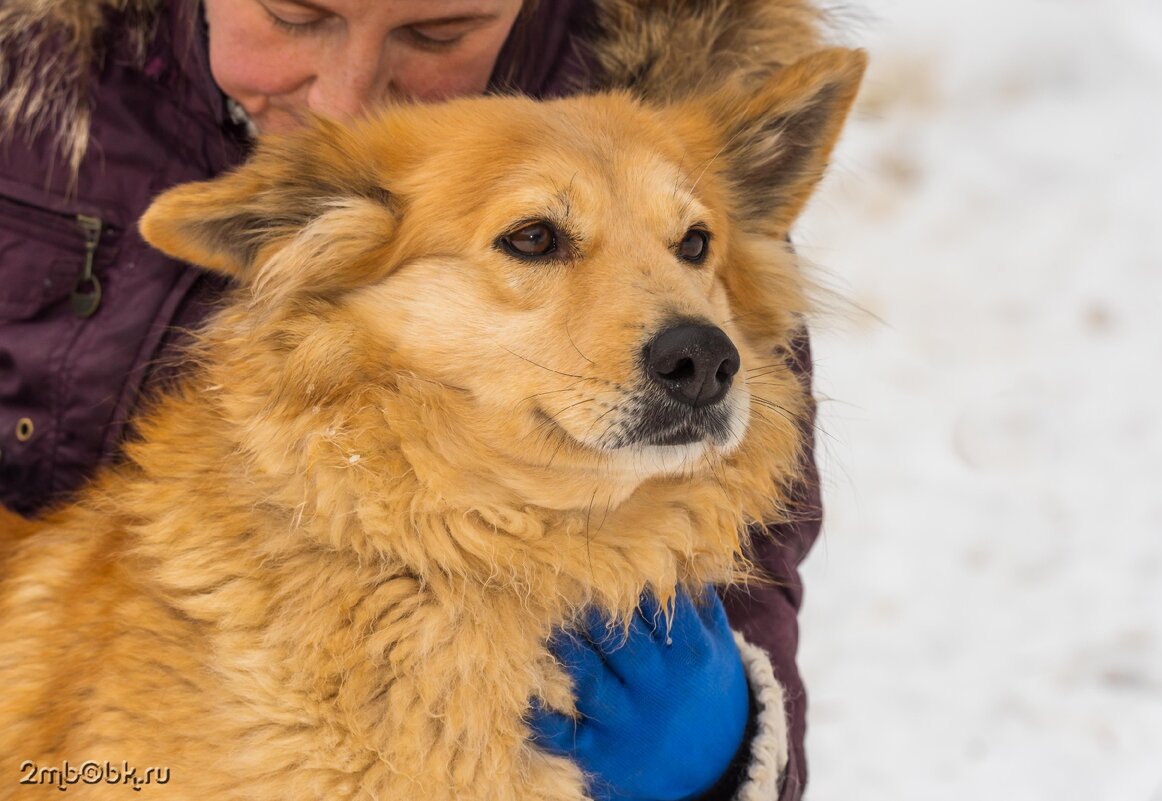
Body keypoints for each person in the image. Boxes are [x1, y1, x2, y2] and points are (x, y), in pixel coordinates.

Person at [0, 0, 828, 798]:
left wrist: (729, 753)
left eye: (438, 32)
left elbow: (759, 577)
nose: (346, 92)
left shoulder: (663, 126)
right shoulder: (27, 76)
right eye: (535, 238)